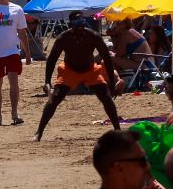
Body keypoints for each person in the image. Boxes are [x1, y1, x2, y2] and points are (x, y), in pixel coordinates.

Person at [35, 13, 122, 142]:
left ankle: (117, 130)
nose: (80, 32)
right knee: (55, 99)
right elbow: (52, 59)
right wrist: (47, 81)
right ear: (71, 26)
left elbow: (107, 59)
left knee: (106, 97)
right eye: (77, 28)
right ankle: (39, 132)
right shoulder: (64, 38)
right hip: (69, 70)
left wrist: (111, 82)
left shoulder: (93, 36)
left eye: (82, 28)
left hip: (90, 70)